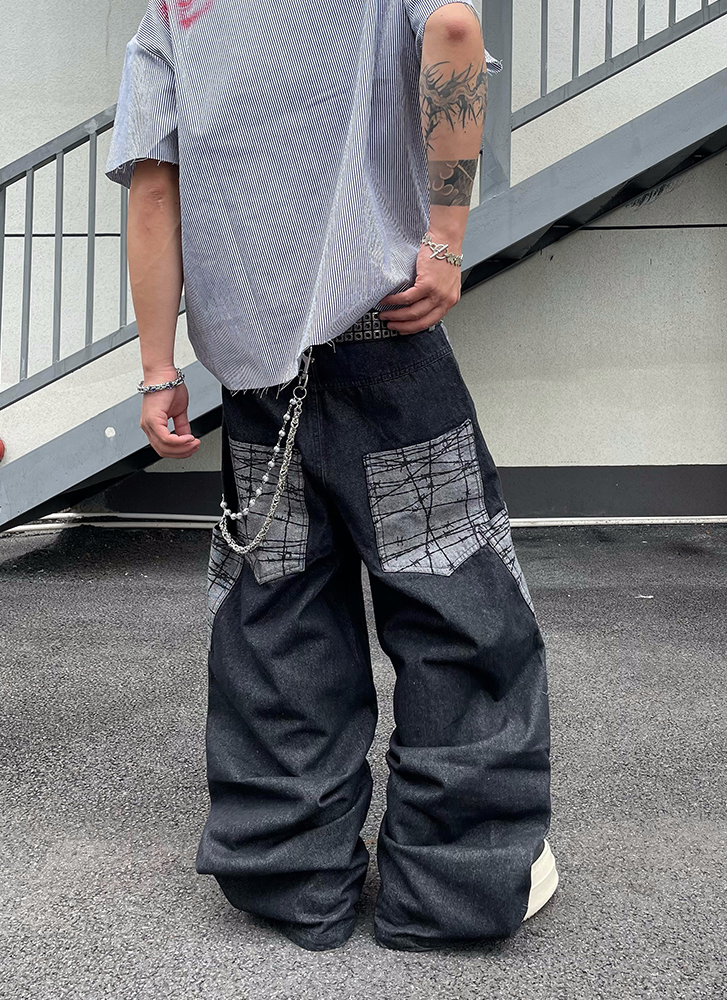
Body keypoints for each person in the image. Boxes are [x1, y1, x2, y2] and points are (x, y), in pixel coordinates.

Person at [105, 0, 558, 952]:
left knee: (280, 621)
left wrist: (155, 369)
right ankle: (454, 888)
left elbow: (153, 189)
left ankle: (293, 880)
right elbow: (455, 31)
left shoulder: (172, 15)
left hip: (260, 379)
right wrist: (445, 236)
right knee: (454, 607)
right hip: (386, 342)